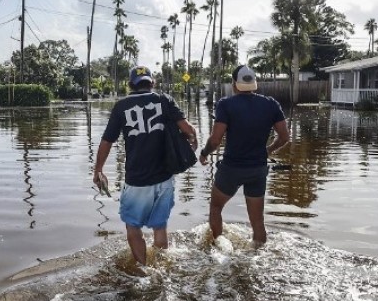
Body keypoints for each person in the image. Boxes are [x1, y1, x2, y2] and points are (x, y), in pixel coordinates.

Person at [93, 66, 198, 265]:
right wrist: (194, 142)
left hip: (137, 179)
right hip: (165, 177)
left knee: (133, 227)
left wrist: (98, 170)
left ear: (131, 84)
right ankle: (161, 267)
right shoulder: (164, 100)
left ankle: (143, 270)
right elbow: (188, 130)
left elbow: (107, 141)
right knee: (160, 227)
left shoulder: (121, 106)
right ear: (152, 83)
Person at [198, 65, 290, 246]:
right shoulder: (271, 104)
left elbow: (216, 140)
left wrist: (204, 153)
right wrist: (267, 151)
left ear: (234, 84)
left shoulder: (226, 104)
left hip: (232, 168)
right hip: (258, 169)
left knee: (216, 208)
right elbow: (285, 137)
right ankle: (258, 254)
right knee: (257, 221)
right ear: (254, 83)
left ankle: (218, 247)